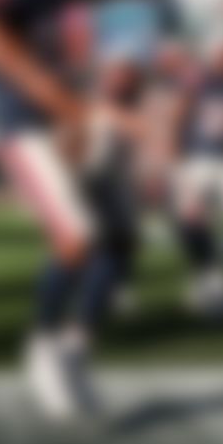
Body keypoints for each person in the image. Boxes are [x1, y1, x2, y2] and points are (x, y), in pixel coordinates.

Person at [0, 0, 193, 420]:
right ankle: (42, 345)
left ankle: (75, 346)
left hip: (70, 121)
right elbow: (14, 64)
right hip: (28, 129)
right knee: (76, 238)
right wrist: (74, 110)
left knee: (121, 240)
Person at [168, 32, 223, 318]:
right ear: (216, 55)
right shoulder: (199, 79)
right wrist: (176, 161)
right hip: (199, 158)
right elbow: (178, 117)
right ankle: (205, 276)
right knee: (189, 220)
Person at [80, 44, 148, 316]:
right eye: (119, 72)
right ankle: (94, 299)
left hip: (120, 178)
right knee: (97, 241)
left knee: (126, 240)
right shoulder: (91, 99)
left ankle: (116, 288)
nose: (124, 78)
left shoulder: (136, 100)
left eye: (128, 73)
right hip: (92, 176)